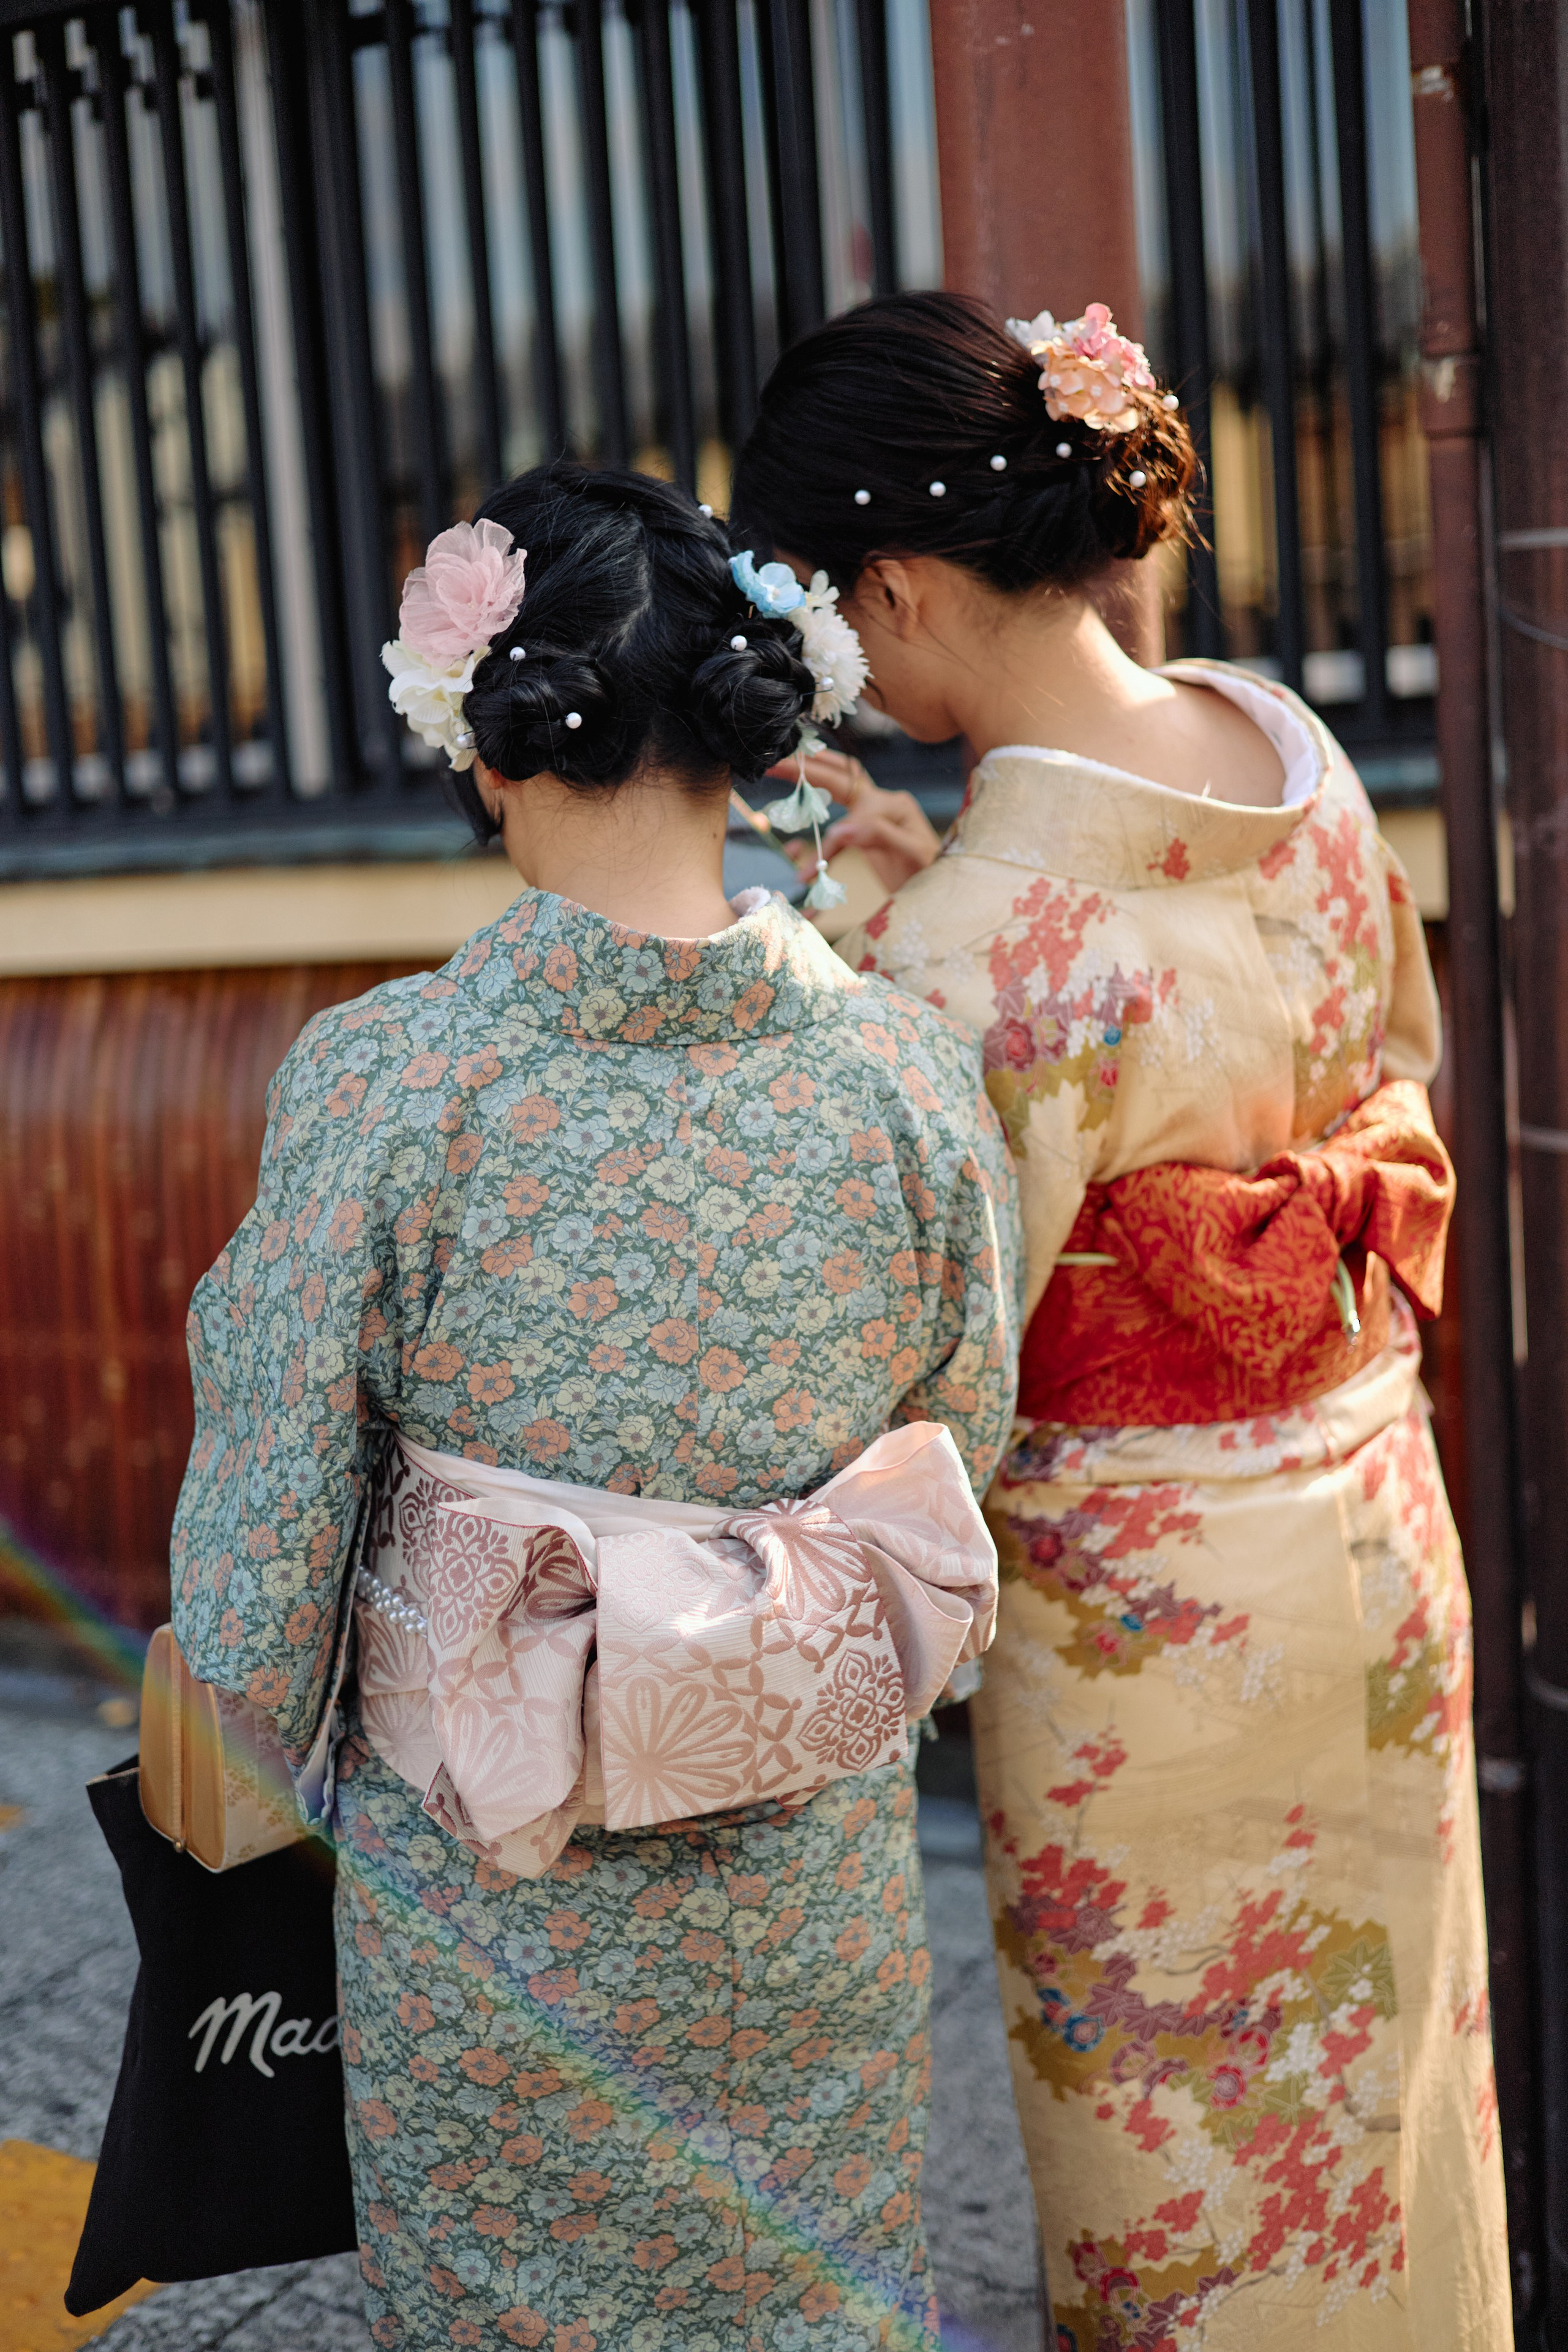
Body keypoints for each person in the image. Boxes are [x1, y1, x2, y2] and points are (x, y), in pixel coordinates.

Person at [170, 463, 1022, 2352]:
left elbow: (259, 1554)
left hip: (498, 1863)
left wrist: (259, 1698)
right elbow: (969, 1418)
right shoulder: (902, 1072)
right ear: (744, 725)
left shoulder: (395, 1080)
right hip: (805, 1857)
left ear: (488, 743)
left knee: (518, 2301)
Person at [731, 291, 1511, 2351]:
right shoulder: (1289, 742)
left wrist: (863, 962)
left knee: (1182, 2174)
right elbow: (1360, 1043)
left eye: (839, 607)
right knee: (1388, 2110)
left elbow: (937, 1351)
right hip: (1369, 1523)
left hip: (1144, 1637)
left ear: (893, 583)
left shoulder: (988, 949)